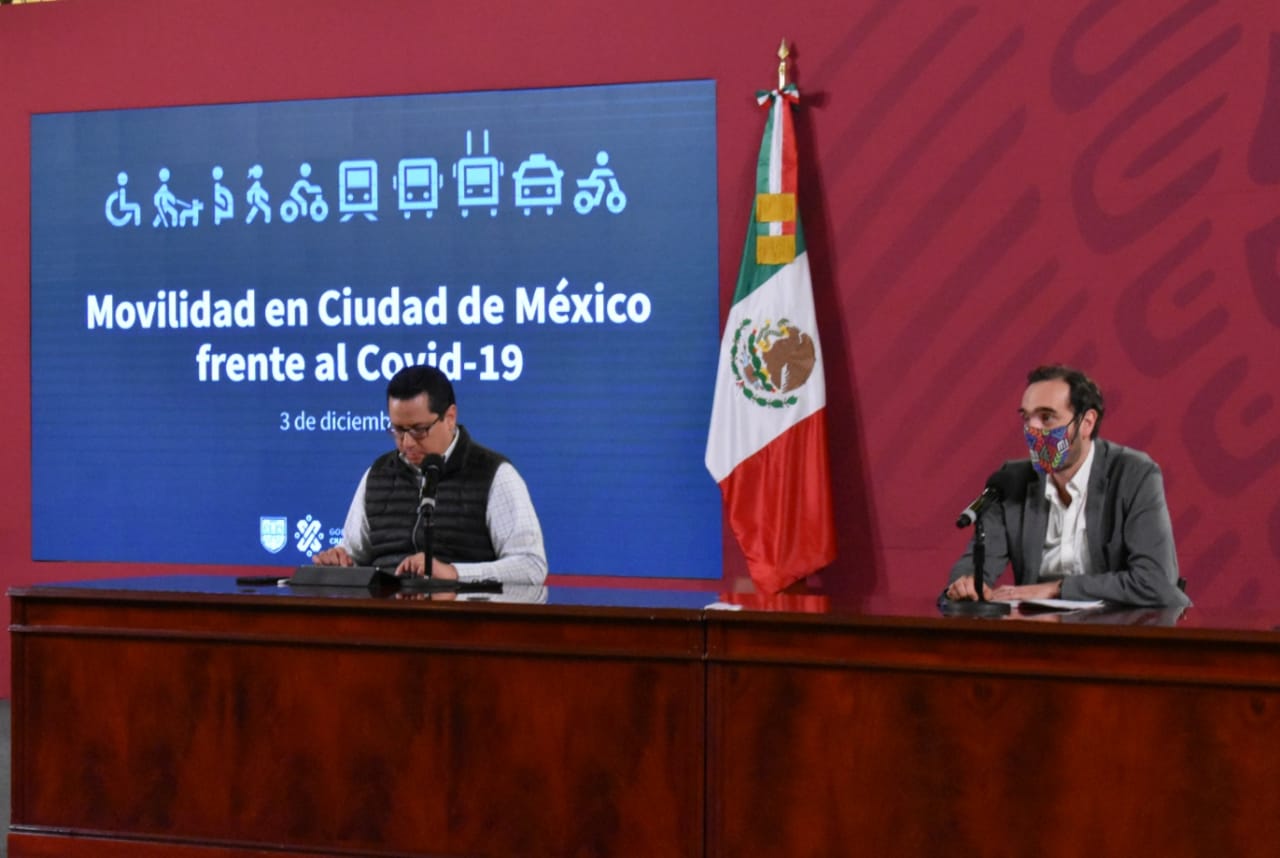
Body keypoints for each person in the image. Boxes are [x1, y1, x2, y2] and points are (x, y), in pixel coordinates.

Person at [944, 364, 1189, 608]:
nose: (1033, 430)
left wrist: (1055, 589)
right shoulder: (1011, 480)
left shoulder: (1134, 474)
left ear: (1087, 423)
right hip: (1041, 631)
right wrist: (966, 583)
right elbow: (976, 565)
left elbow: (1155, 581)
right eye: (1027, 418)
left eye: (1047, 417)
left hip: (1122, 629)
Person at [313, 365, 547, 586]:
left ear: (450, 418)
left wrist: (454, 573)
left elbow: (531, 566)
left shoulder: (495, 475)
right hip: (385, 618)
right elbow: (355, 554)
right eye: (398, 430)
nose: (407, 443)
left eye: (418, 430)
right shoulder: (377, 475)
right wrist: (340, 559)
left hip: (464, 620)